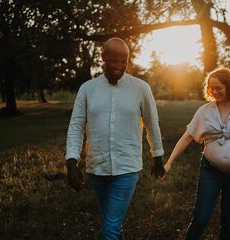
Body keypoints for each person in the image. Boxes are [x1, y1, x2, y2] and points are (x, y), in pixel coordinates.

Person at [65, 37, 165, 240]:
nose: (119, 66)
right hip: (97, 168)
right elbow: (76, 126)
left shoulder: (140, 88)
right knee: (113, 224)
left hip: (127, 168)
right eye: (114, 61)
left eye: (124, 61)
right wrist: (71, 162)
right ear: (103, 58)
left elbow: (151, 124)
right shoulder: (87, 89)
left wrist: (158, 157)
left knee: (109, 228)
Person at [164, 67, 230, 240]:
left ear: (229, 86)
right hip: (210, 172)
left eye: (219, 88)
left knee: (229, 222)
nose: (214, 92)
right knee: (200, 219)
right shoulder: (204, 111)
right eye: (211, 88)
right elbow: (186, 138)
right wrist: (169, 162)